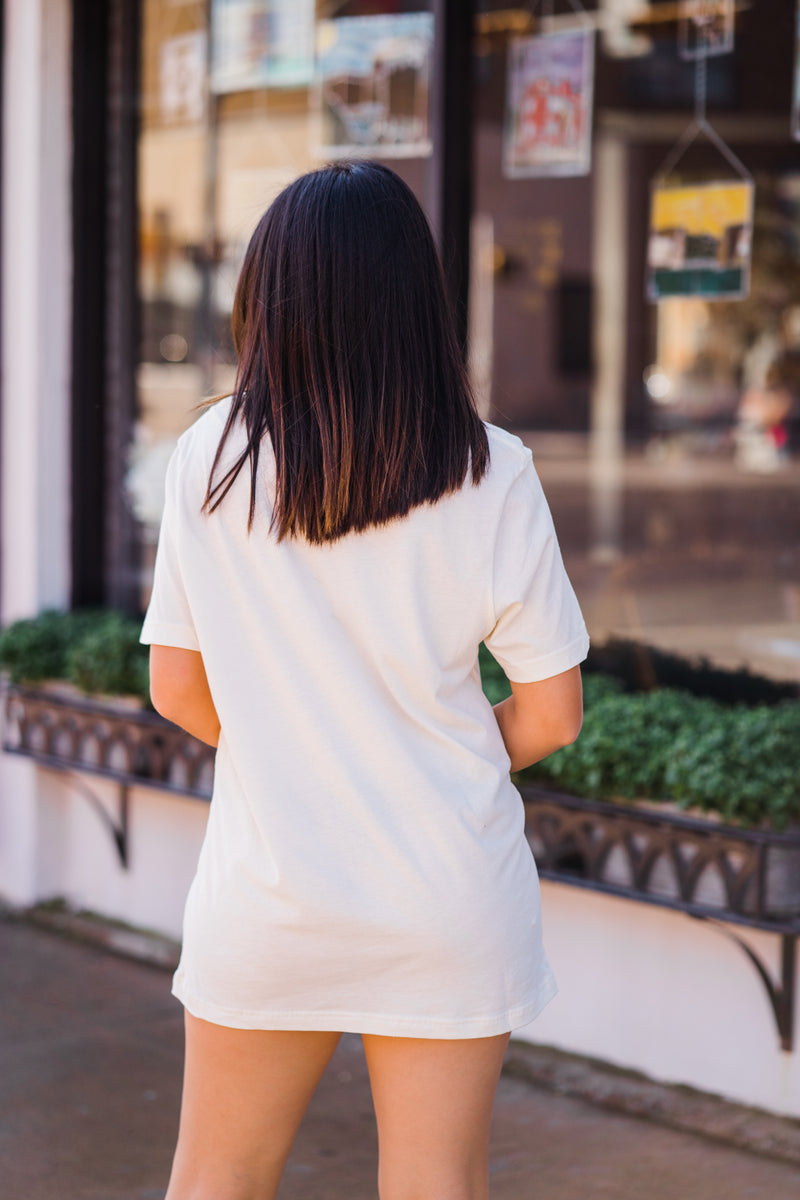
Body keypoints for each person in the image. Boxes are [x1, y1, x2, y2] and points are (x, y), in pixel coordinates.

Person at [141, 160, 588, 1200]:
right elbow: (553, 712)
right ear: (417, 298)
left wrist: (294, 755)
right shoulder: (490, 468)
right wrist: (431, 756)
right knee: (438, 1185)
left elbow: (175, 689)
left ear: (268, 296)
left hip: (269, 893)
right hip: (443, 891)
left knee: (219, 1177)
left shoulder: (210, 457)